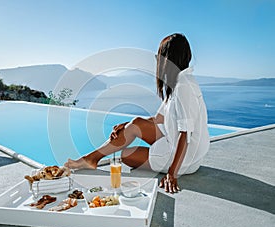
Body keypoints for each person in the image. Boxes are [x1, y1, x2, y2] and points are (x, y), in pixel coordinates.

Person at [65, 33, 210, 193]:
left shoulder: (184, 87)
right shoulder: (179, 82)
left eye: (159, 55)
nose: (156, 60)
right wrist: (126, 125)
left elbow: (185, 133)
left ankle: (90, 160)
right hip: (178, 144)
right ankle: (90, 159)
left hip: (186, 159)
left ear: (169, 58)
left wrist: (172, 173)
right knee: (136, 123)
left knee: (126, 155)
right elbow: (158, 118)